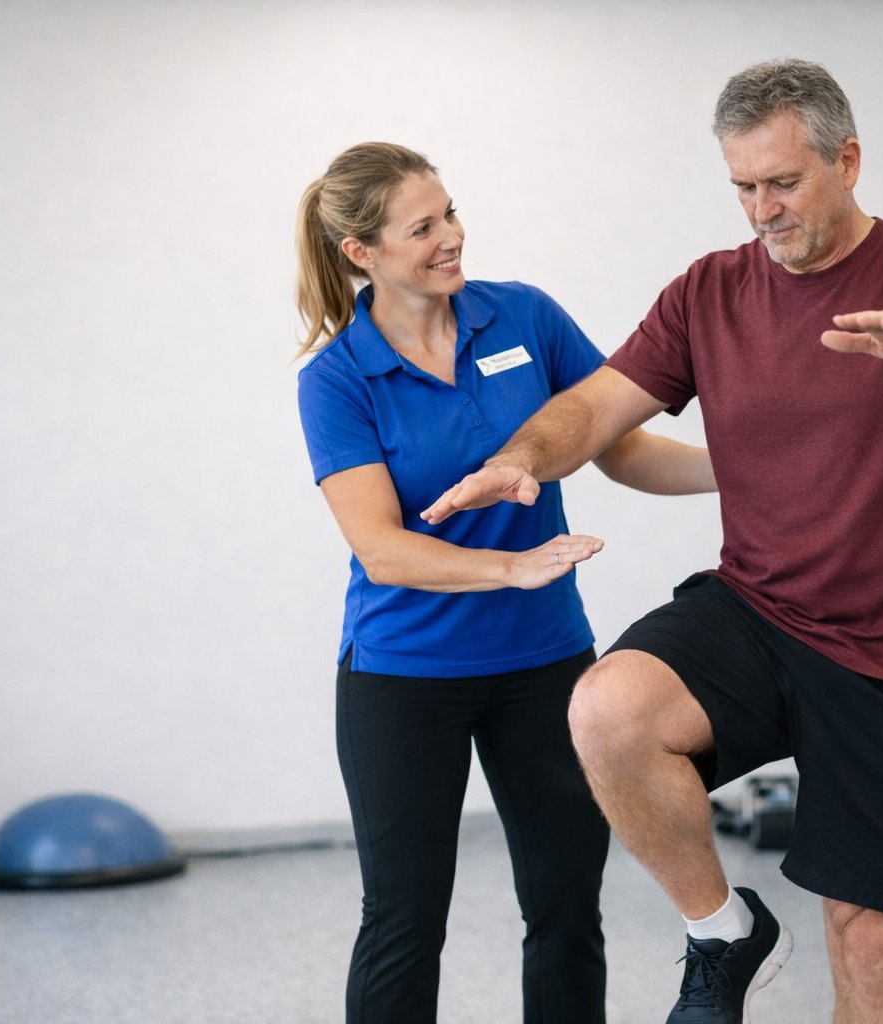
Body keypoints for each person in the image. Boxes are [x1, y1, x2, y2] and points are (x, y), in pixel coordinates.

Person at [422, 60, 883, 1024]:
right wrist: (524, 455)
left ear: (847, 161)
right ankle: (723, 930)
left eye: (783, 183)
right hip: (762, 613)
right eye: (743, 187)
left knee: (867, 946)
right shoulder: (710, 291)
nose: (762, 210)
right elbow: (597, 407)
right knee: (609, 710)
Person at [293, 141, 716, 1024]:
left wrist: (750, 473)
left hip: (545, 664)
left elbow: (623, 449)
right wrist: (510, 569)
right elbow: (382, 550)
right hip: (403, 675)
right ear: (362, 252)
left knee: (566, 908)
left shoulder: (523, 316)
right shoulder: (338, 379)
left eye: (449, 212)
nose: (451, 236)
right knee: (404, 920)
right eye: (422, 227)